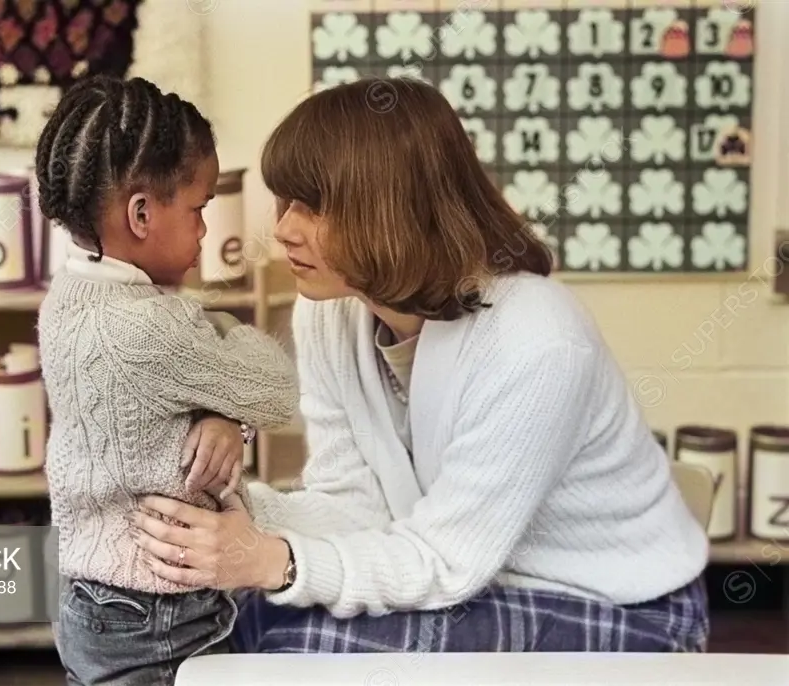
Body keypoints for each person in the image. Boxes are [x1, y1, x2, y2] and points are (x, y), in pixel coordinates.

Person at [129, 77, 711, 654]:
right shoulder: (329, 313)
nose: (283, 230)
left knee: (298, 643)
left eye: (314, 206)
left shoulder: (538, 341)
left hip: (618, 605)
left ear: (395, 211)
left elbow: (446, 561)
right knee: (242, 616)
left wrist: (269, 560)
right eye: (287, 202)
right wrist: (230, 515)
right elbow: (356, 505)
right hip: (481, 577)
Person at [35, 74, 299, 685]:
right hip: (161, 608)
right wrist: (233, 408)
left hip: (89, 593)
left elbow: (167, 403)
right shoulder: (154, 329)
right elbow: (276, 384)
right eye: (199, 208)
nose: (205, 230)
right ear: (142, 213)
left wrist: (224, 418)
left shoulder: (66, 298)